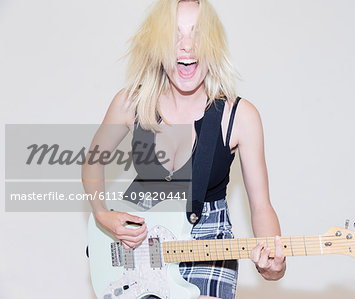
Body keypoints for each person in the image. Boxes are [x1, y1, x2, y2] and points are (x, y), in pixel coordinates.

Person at [82, 0, 286, 298]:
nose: (186, 46)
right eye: (175, 34)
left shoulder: (240, 116)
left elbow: (261, 205)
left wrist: (273, 264)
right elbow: (92, 161)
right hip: (142, 238)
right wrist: (102, 214)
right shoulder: (130, 103)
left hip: (208, 239)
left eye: (197, 33)